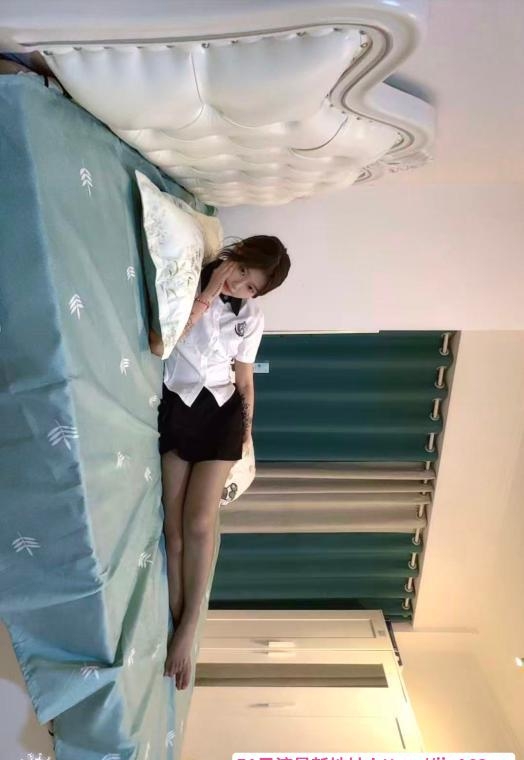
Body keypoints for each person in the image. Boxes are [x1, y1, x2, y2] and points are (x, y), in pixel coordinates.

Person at [148, 235, 291, 690]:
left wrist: (245, 432)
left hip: (223, 413)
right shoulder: (188, 283)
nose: (241, 285)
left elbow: (244, 379)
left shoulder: (252, 317)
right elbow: (160, 344)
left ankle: (188, 626)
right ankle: (181, 625)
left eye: (251, 286)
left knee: (199, 522)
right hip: (178, 406)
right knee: (173, 531)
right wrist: (208, 294)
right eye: (243, 271)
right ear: (236, 255)